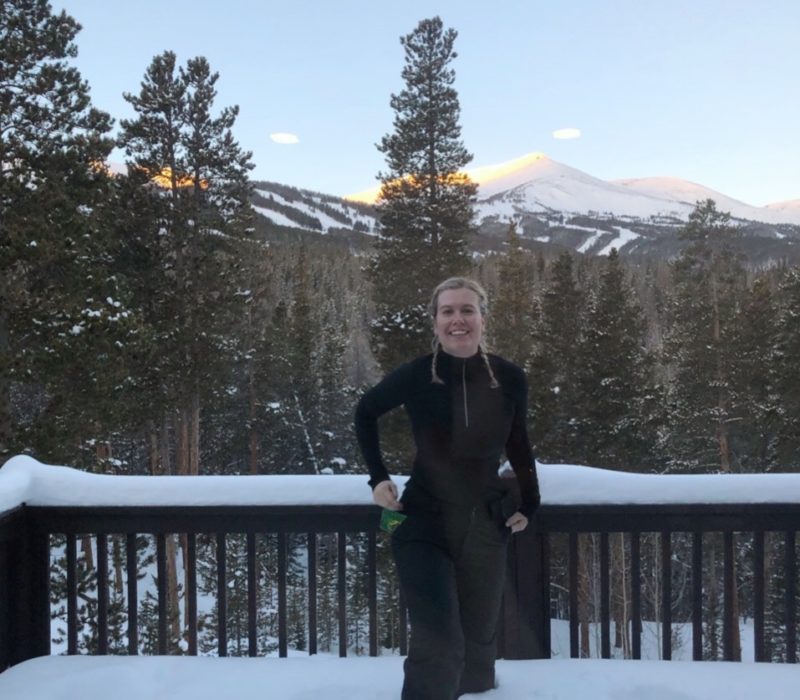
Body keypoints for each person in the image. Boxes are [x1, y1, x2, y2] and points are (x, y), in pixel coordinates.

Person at [354, 277, 540, 700]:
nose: (458, 319)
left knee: (478, 645)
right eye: (448, 311)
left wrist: (530, 502)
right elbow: (365, 412)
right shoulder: (420, 374)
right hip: (421, 520)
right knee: (438, 641)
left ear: (482, 318)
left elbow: (519, 442)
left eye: (467, 310)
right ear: (436, 322)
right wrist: (378, 477)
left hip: (484, 524)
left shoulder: (509, 378)